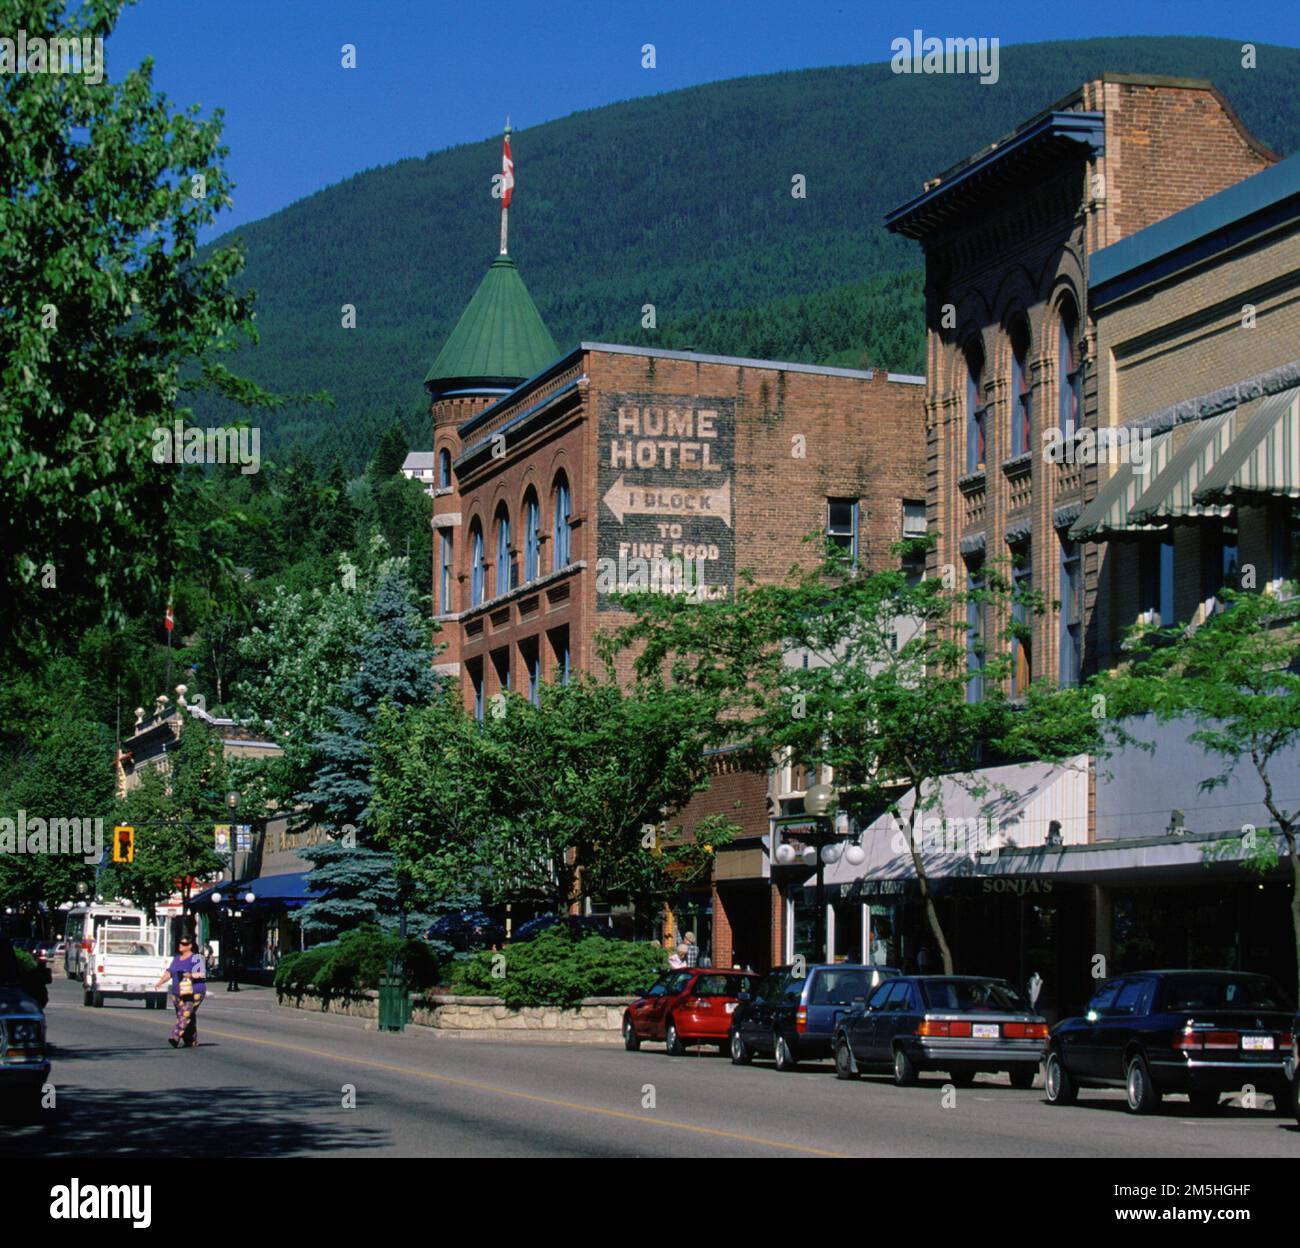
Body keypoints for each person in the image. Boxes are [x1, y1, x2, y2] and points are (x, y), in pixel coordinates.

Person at [154, 936, 206, 1048]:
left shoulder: (196, 958)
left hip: (194, 992)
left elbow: (201, 974)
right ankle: (190, 1040)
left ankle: (175, 1037)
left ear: (190, 946)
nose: (180, 945)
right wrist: (160, 982)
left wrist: (191, 975)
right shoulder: (177, 958)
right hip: (178, 993)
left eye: (183, 943)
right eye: (180, 943)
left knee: (185, 1014)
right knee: (185, 1016)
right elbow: (170, 972)